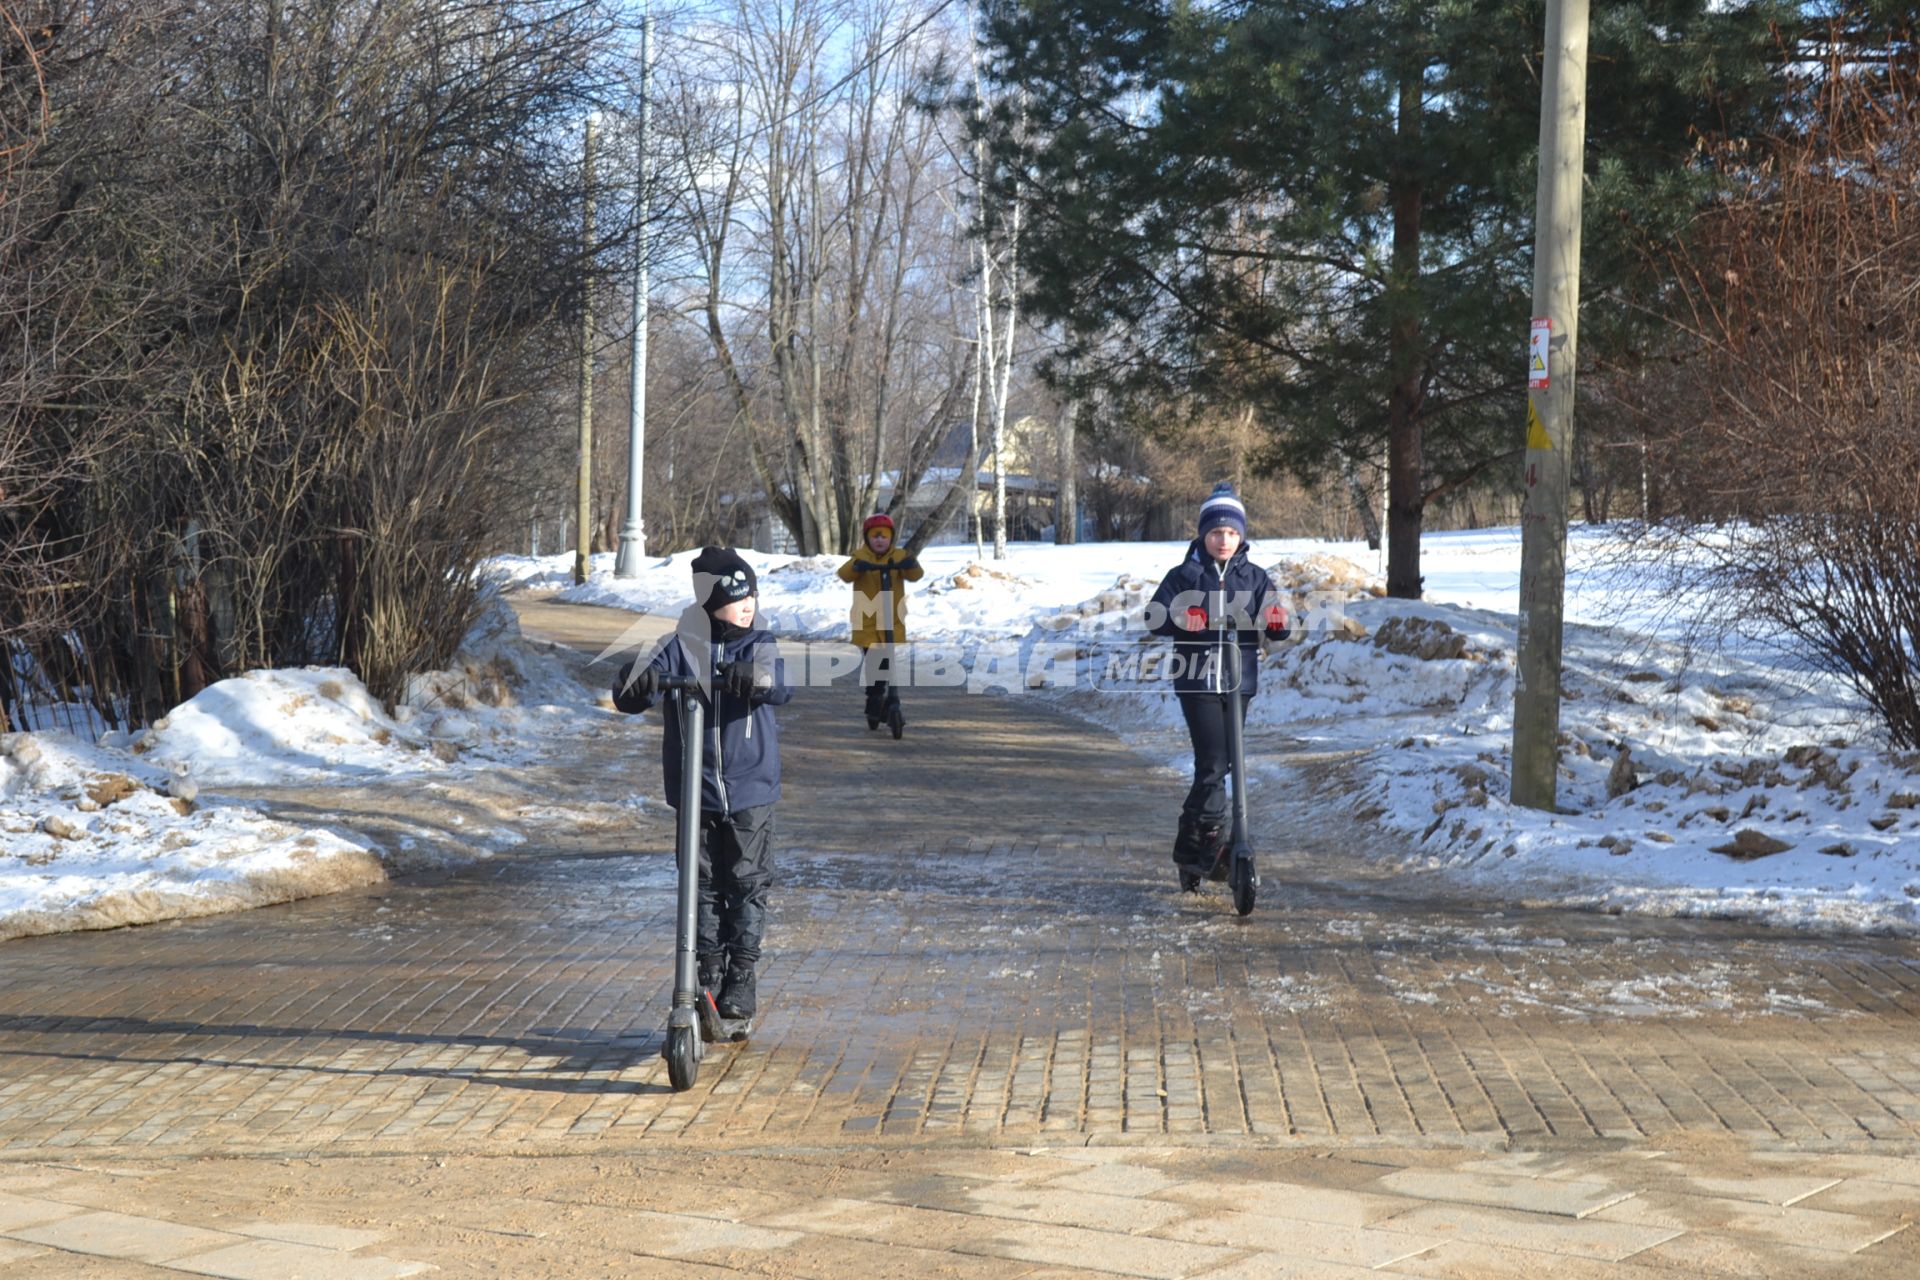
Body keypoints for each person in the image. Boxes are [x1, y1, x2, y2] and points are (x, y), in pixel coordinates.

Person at [612, 546, 792, 1024]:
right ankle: (708, 971)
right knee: (702, 883)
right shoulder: (678, 645)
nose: (747, 603)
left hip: (750, 789)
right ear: (710, 602)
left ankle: (742, 977)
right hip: (696, 793)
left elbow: (778, 683)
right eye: (736, 595)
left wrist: (750, 678)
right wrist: (639, 682)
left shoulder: (759, 643)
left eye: (751, 592)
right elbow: (631, 691)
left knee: (746, 882)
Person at [1148, 484, 1289, 886]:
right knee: (1213, 763)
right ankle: (1211, 842)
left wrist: (1277, 624)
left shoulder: (1256, 578)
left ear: (1241, 535)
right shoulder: (1185, 575)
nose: (1223, 540)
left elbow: (1277, 625)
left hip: (1239, 681)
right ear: (1203, 534)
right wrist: (1182, 617)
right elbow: (1154, 617)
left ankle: (1190, 844)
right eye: (1215, 533)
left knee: (1226, 765)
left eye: (1230, 533)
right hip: (1197, 681)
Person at [836, 513, 924, 731]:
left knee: (887, 662)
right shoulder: (861, 557)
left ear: (891, 538)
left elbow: (916, 574)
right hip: (868, 625)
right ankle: (875, 700)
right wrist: (857, 566)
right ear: (867, 539)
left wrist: (910, 562)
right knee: (876, 666)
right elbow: (844, 574)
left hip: (892, 623)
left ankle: (887, 701)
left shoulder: (898, 556)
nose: (879, 540)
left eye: (884, 536)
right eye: (874, 537)